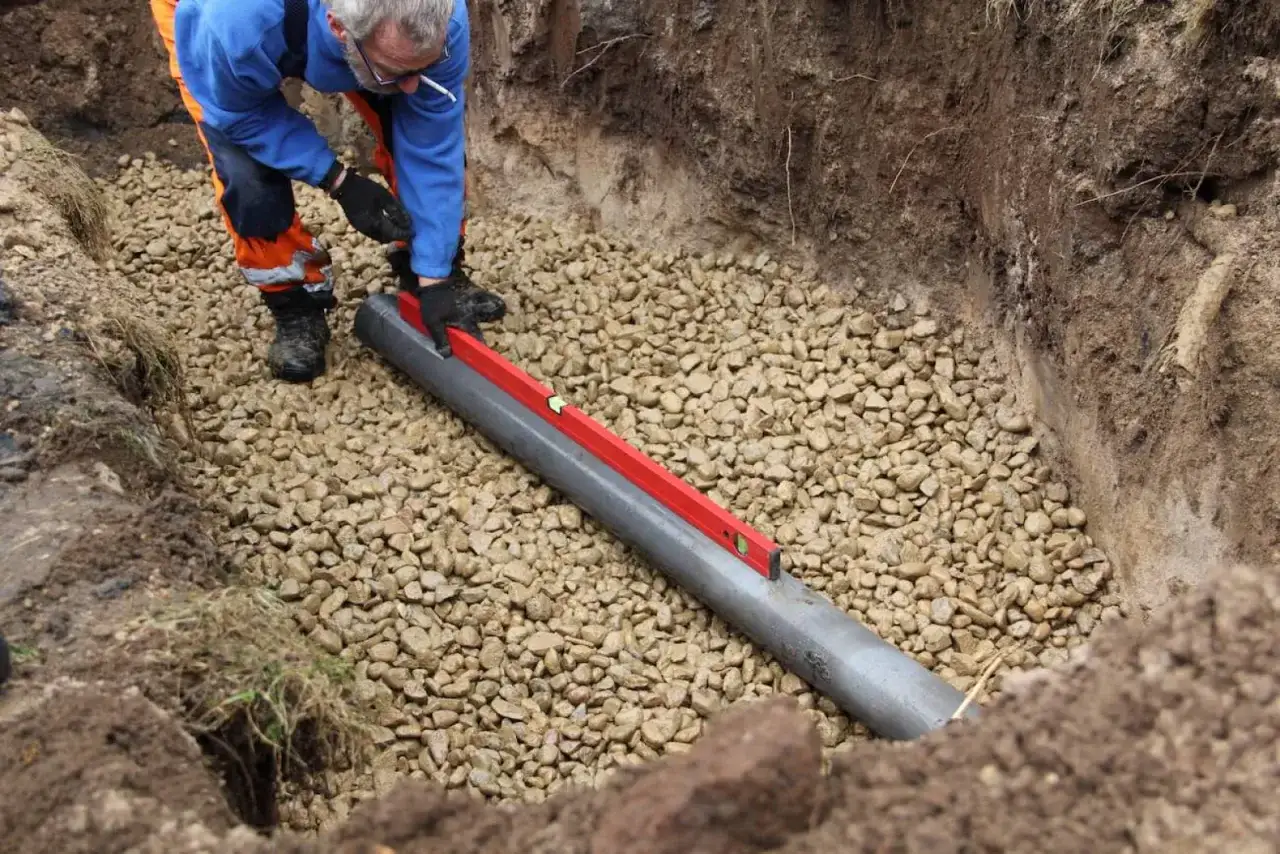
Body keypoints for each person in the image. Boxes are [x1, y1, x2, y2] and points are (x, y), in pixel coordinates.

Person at [149, 0, 506, 382]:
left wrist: (435, 277)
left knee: (409, 113)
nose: (413, 84)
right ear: (339, 30)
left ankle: (423, 264)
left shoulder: (442, 19)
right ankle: (294, 302)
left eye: (423, 67)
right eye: (396, 70)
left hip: (357, 38)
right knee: (247, 177)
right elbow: (239, 116)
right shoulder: (231, 24)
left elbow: (431, 146)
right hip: (222, 28)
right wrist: (338, 180)